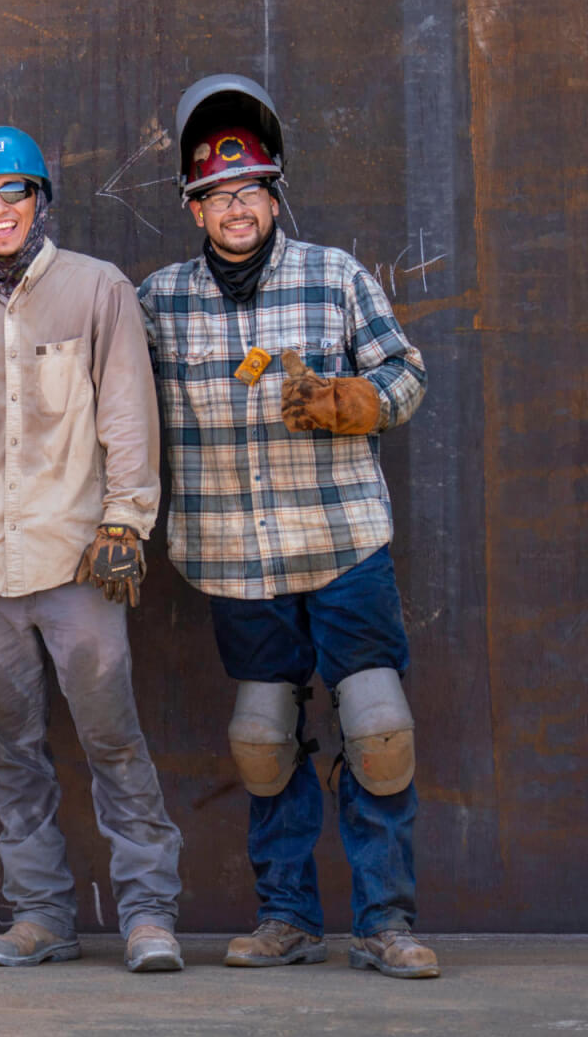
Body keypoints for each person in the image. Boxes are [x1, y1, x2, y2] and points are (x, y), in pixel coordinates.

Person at [138, 75, 438, 979]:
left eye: (252, 190)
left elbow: (408, 375)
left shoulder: (336, 275)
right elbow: (93, 372)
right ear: (196, 209)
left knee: (379, 730)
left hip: (343, 546)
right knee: (264, 741)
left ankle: (386, 923)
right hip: (234, 558)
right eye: (218, 195)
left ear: (274, 196)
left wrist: (356, 400)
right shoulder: (157, 302)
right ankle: (288, 919)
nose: (238, 208)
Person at [0, 126, 185, 974]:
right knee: (9, 750)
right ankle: (41, 916)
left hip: (77, 562)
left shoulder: (97, 291)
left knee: (112, 739)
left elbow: (129, 412)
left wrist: (125, 523)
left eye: (14, 193)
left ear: (42, 200)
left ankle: (148, 916)